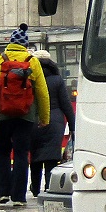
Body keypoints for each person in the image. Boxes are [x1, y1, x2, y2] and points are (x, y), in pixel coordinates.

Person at [0, 24, 50, 207]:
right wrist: (44, 117)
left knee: (1, 152)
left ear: (10, 43)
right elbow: (42, 92)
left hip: (0, 115)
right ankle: (18, 196)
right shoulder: (32, 62)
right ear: (25, 45)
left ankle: (2, 193)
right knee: (21, 153)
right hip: (25, 115)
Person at [29, 49, 76, 199]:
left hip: (33, 121)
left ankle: (35, 189)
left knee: (35, 158)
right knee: (50, 158)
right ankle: (49, 187)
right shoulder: (57, 79)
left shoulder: (30, 78)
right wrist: (73, 127)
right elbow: (66, 105)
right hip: (55, 121)